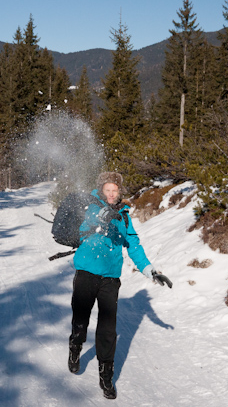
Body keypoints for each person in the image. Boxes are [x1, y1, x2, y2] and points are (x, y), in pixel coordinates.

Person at [68, 171, 171, 400]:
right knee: (81, 320)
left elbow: (133, 244)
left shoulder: (124, 214)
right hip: (86, 273)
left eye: (115, 190)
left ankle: (106, 376)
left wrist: (150, 270)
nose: (112, 194)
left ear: (119, 191)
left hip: (110, 279)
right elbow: (89, 221)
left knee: (107, 330)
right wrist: (100, 217)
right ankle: (75, 347)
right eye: (108, 190)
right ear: (101, 190)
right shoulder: (91, 206)